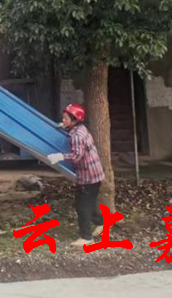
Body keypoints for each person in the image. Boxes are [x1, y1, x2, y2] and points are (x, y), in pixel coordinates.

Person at [47, 103, 106, 247]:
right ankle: (101, 223)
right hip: (94, 173)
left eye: (66, 118)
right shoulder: (80, 128)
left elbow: (76, 157)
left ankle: (86, 238)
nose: (63, 120)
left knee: (82, 206)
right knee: (87, 202)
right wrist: (64, 126)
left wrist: (60, 156)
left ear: (74, 120)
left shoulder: (77, 136)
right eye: (63, 117)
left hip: (89, 176)